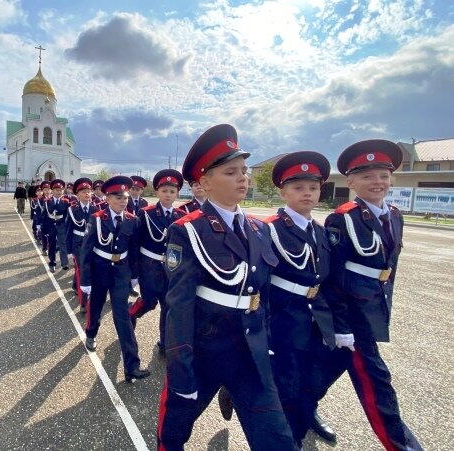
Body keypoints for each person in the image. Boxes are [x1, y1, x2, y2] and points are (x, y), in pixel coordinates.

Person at [157, 124, 295, 450]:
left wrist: (270, 342)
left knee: (278, 438)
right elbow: (178, 308)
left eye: (244, 171)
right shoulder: (188, 231)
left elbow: (263, 295)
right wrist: (180, 372)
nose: (243, 178)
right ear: (204, 182)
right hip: (205, 352)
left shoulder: (259, 230)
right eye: (231, 172)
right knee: (175, 430)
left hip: (251, 355)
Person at [315, 140, 422, 450]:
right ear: (350, 182)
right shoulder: (342, 219)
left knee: (322, 368)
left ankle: (302, 406)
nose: (377, 183)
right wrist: (343, 325)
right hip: (352, 316)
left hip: (373, 309)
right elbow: (333, 278)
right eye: (367, 176)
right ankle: (403, 445)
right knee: (377, 383)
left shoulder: (396, 215)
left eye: (383, 175)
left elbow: (388, 269)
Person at [263, 152, 336, 448]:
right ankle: (291, 437)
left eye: (313, 188)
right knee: (288, 383)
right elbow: (260, 281)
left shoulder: (321, 231)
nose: (307, 193)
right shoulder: (269, 228)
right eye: (298, 188)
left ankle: (306, 415)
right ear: (283, 192)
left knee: (314, 375)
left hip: (316, 318)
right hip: (282, 316)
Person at [79, 176, 150, 383]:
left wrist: (135, 275)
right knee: (96, 307)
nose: (123, 201)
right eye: (118, 197)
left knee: (123, 316)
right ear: (108, 198)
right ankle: (91, 333)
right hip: (100, 270)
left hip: (121, 273)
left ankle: (132, 366)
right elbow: (86, 250)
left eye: (125, 197)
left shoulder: (132, 220)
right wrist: (86, 279)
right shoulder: (97, 218)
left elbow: (134, 250)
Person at [128, 169, 186, 356]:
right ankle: (131, 313)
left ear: (177, 193)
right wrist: (134, 273)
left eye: (172, 192)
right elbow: (135, 243)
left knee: (168, 307)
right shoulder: (146, 213)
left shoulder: (181, 216)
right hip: (149, 268)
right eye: (164, 191)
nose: (168, 195)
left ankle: (164, 342)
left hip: (171, 269)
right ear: (157, 192)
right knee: (149, 302)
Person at [65, 178, 100, 312]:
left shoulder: (96, 209)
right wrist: (68, 251)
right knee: (82, 271)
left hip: (92, 244)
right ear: (77, 194)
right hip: (78, 244)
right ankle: (84, 303)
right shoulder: (72, 209)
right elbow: (68, 232)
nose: (87, 194)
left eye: (89, 191)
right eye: (84, 192)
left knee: (87, 269)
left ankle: (75, 285)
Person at [42, 179, 70, 272]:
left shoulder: (66, 202)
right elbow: (44, 217)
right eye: (57, 190)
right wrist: (44, 229)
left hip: (61, 226)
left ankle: (64, 263)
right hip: (51, 227)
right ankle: (52, 263)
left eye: (61, 190)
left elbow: (67, 216)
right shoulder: (47, 202)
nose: (59, 192)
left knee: (63, 244)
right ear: (52, 191)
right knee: (52, 245)